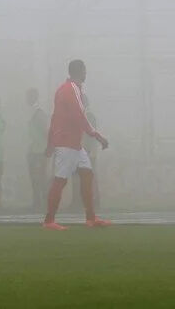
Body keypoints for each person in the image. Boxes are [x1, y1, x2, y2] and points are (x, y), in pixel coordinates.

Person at [42, 59, 111, 230]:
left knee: (87, 174)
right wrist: (96, 135)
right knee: (60, 180)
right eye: (85, 71)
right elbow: (79, 115)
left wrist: (51, 142)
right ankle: (49, 221)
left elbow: (54, 117)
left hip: (73, 143)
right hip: (67, 143)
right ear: (80, 71)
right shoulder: (72, 89)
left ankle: (90, 217)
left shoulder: (63, 90)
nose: (86, 74)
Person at [26, 88, 49, 210]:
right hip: (33, 149)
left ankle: (43, 201)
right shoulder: (31, 112)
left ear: (34, 96)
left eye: (29, 96)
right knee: (34, 177)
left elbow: (45, 130)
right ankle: (37, 201)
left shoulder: (38, 112)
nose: (27, 98)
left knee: (40, 176)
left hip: (39, 150)